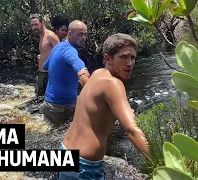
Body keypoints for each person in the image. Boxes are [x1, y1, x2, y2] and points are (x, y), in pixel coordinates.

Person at [58, 33, 149, 180]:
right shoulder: (114, 84)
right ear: (108, 58)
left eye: (132, 58)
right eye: (123, 57)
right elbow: (132, 130)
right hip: (85, 165)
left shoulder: (98, 74)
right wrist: (161, 163)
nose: (130, 63)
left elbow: (94, 98)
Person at [43, 20, 90, 126]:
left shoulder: (57, 47)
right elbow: (78, 65)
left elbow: (45, 66)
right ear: (69, 34)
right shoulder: (70, 51)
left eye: (85, 34)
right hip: (62, 108)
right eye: (79, 34)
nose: (83, 38)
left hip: (48, 104)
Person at [30, 14, 60, 97]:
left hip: (49, 74)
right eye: (32, 25)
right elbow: (47, 51)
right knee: (38, 100)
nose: (34, 27)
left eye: (36, 24)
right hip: (42, 73)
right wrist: (41, 56)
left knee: (45, 100)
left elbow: (61, 53)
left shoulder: (50, 36)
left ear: (42, 23)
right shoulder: (41, 36)